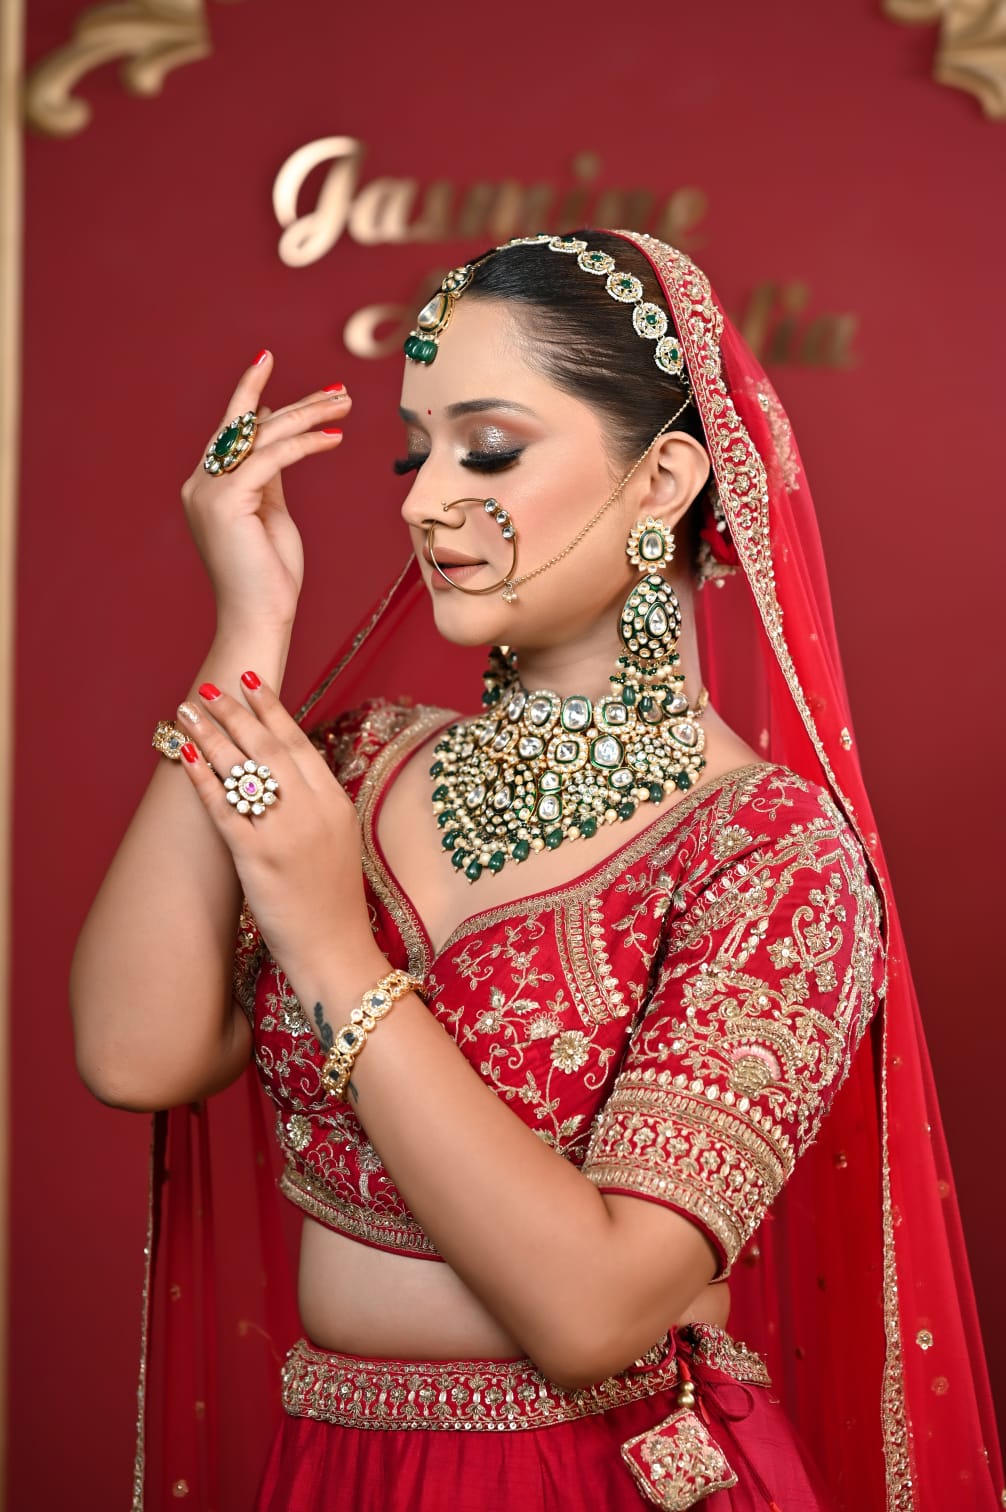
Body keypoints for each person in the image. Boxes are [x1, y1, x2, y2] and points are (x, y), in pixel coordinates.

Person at [70, 231, 1003, 1512]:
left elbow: (594, 1315)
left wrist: (331, 944)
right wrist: (249, 623)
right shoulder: (357, 765)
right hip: (333, 1468)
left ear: (663, 475)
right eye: (417, 450)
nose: (419, 498)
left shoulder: (769, 856)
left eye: (489, 449)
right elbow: (136, 1054)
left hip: (588, 1475)